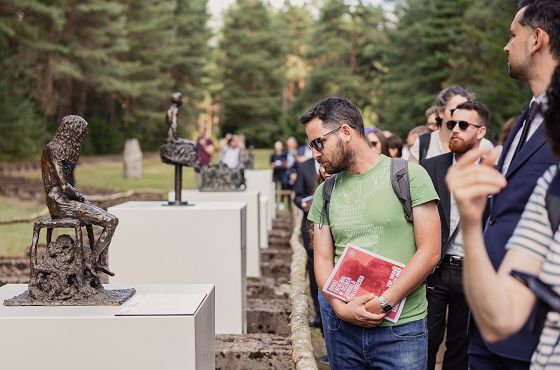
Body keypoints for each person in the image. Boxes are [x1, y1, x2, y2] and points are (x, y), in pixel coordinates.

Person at [450, 2, 560, 368]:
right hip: (492, 314)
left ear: (537, 39)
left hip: (537, 329)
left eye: (513, 35)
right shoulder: (528, 117)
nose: (505, 46)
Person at [301, 97, 441, 369]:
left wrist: (385, 302)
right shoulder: (324, 192)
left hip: (401, 331)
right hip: (343, 331)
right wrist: (340, 308)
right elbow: (322, 261)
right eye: (311, 146)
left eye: (319, 143)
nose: (315, 154)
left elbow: (430, 251)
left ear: (345, 131)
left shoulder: (409, 176)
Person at [421, 101, 490, 370]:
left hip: (473, 272)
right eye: (451, 124)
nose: (455, 130)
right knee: (426, 339)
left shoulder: (493, 171)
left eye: (463, 125)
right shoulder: (430, 167)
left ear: (481, 131)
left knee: (461, 346)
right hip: (436, 269)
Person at [42, 115, 118, 277]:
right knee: (111, 221)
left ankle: (98, 262)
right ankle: (92, 261)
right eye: (81, 132)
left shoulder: (58, 149)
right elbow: (63, 185)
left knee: (109, 219)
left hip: (64, 199)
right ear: (72, 131)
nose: (83, 136)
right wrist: (81, 197)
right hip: (59, 202)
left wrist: (81, 199)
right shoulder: (53, 149)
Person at [409, 86, 494, 163]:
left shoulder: (484, 145)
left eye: (466, 109)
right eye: (455, 110)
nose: (460, 114)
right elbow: (408, 177)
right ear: (440, 112)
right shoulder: (424, 142)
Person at [293, 157, 320, 327]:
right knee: (313, 270)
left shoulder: (336, 164)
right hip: (309, 225)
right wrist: (303, 204)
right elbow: (297, 196)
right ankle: (318, 314)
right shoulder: (304, 167)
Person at [271, 141, 288, 209]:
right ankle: (274, 202)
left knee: (283, 187)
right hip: (275, 173)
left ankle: (281, 202)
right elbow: (271, 164)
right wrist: (274, 164)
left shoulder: (284, 154)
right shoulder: (273, 155)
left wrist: (283, 164)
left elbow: (287, 164)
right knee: (274, 187)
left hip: (283, 173)